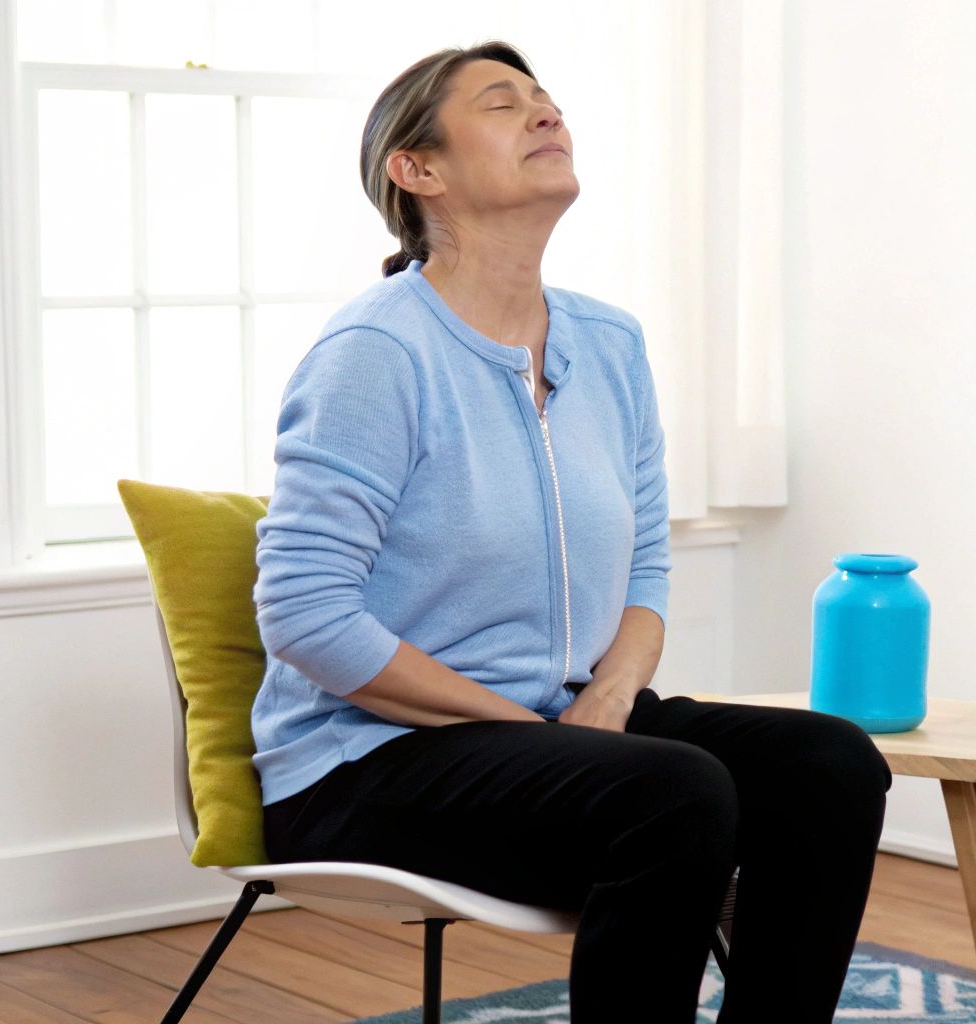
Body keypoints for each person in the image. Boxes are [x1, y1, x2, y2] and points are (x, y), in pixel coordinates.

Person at [248, 40, 891, 1023]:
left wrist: (610, 695)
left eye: (546, 99)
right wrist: (528, 726)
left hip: (559, 725)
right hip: (365, 760)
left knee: (831, 766)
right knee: (674, 791)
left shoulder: (609, 342)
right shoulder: (376, 352)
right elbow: (303, 615)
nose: (545, 113)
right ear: (416, 171)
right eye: (503, 105)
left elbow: (643, 564)